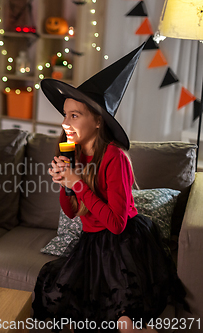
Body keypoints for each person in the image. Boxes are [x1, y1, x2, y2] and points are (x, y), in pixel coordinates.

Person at [32, 44, 186, 332]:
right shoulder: (72, 151)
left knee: (120, 308)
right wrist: (65, 185)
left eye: (74, 115)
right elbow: (71, 212)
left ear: (98, 120)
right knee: (57, 293)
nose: (65, 122)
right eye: (65, 115)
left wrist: (78, 183)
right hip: (92, 240)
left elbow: (116, 224)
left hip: (125, 240)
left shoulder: (115, 158)